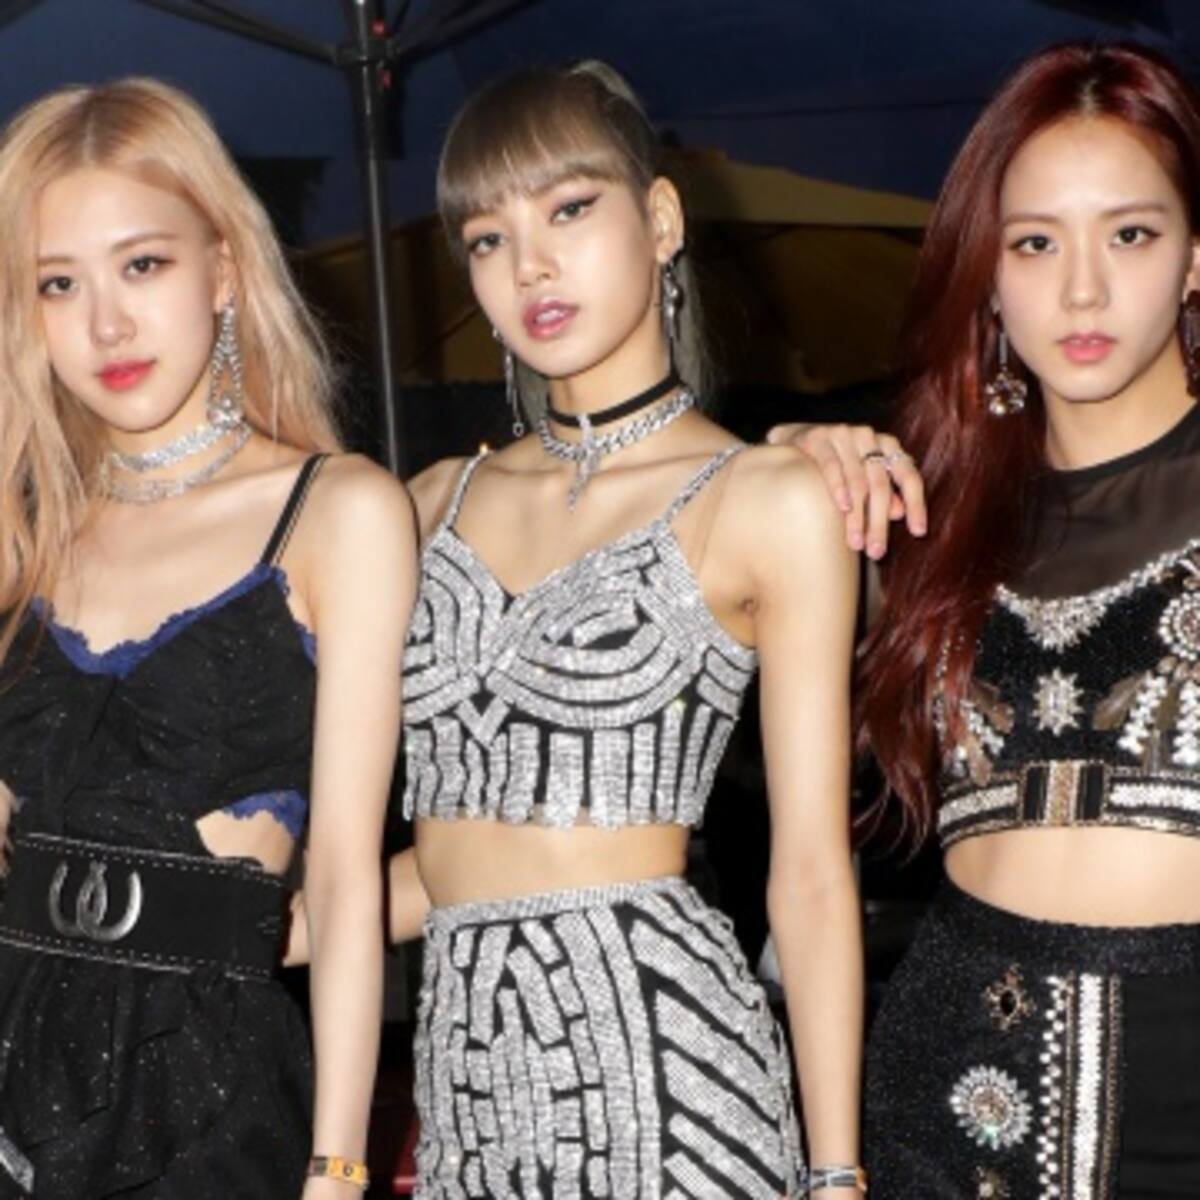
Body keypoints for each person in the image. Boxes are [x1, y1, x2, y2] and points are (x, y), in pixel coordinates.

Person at [370, 61, 865, 1199]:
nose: (529, 264)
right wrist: (234, 922)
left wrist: (836, 1173)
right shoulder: (424, 504)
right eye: (487, 237)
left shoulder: (764, 495)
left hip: (670, 1076)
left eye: (570, 208)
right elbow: (453, 859)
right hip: (467, 1084)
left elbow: (809, 873)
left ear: (662, 218)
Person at [0, 79, 414, 1198]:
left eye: (142, 265)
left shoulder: (339, 511)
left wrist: (339, 1167)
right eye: (57, 282)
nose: (106, 324)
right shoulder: (26, 533)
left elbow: (346, 879)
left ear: (223, 269)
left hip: (207, 1098)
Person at [858, 41, 1200, 1198]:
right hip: (939, 1106)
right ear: (988, 273)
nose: (1083, 291)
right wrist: (797, 469)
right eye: (1036, 243)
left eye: (1131, 234)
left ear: (1196, 257)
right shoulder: (921, 516)